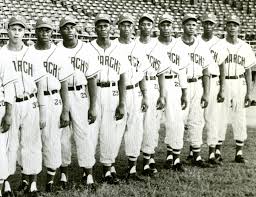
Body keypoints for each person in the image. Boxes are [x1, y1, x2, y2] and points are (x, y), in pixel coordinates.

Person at [4, 16, 47, 197]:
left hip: (30, 102)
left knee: (32, 143)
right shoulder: (1, 54)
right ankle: (5, 184)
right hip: (10, 105)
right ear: (7, 31)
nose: (17, 32)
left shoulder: (33, 54)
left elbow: (40, 84)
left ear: (25, 32)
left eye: (20, 29)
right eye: (14, 28)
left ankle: (33, 184)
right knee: (8, 145)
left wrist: (43, 110)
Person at [58, 16, 100, 189]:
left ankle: (88, 172)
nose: (69, 30)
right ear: (60, 31)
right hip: (61, 94)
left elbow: (92, 79)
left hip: (81, 92)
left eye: (72, 27)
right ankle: (63, 172)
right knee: (62, 136)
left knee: (84, 134)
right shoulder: (56, 50)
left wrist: (92, 105)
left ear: (77, 29)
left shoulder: (87, 50)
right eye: (65, 27)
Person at [32, 17, 74, 192]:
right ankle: (31, 179)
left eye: (48, 30)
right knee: (31, 138)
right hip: (34, 99)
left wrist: (66, 109)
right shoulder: (29, 52)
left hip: (54, 98)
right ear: (35, 32)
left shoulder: (60, 53)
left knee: (53, 139)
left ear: (52, 32)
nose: (45, 33)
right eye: (41, 30)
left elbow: (64, 84)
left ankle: (50, 178)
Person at [88, 13, 128, 184]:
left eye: (105, 25)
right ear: (95, 28)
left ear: (110, 27)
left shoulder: (119, 49)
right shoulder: (88, 48)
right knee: (90, 132)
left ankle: (107, 169)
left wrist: (122, 102)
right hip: (94, 91)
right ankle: (87, 171)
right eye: (99, 25)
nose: (103, 28)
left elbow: (123, 77)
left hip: (112, 90)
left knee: (109, 132)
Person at [114, 13, 150, 181]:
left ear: (133, 27)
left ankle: (132, 167)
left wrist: (145, 95)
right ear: (118, 27)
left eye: (129, 25)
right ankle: (110, 167)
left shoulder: (139, 48)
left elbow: (143, 74)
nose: (126, 28)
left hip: (135, 90)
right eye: (123, 24)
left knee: (135, 129)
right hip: (116, 92)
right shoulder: (113, 46)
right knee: (114, 128)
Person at [216, 15, 255, 163]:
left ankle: (239, 152)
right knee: (221, 116)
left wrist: (250, 93)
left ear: (239, 27)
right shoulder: (219, 45)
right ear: (225, 27)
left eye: (235, 25)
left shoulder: (245, 46)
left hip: (239, 82)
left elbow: (248, 71)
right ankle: (217, 151)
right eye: (230, 24)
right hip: (224, 82)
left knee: (240, 116)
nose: (232, 27)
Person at [176, 14, 212, 167]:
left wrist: (206, 93)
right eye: (188, 24)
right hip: (178, 85)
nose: (191, 27)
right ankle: (174, 156)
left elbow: (206, 72)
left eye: (194, 24)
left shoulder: (202, 46)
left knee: (197, 119)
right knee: (178, 120)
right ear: (183, 26)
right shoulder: (175, 44)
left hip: (196, 83)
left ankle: (196, 155)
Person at [138, 13, 170, 175]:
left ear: (153, 27)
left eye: (149, 24)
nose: (146, 27)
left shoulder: (158, 47)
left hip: (152, 84)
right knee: (136, 124)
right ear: (139, 26)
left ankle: (147, 157)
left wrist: (162, 95)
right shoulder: (133, 44)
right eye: (143, 24)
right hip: (135, 86)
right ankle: (134, 157)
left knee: (152, 124)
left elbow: (162, 73)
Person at [157, 13, 189, 172]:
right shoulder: (152, 45)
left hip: (175, 82)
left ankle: (175, 156)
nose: (166, 27)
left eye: (168, 24)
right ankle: (148, 158)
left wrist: (184, 92)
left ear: (172, 27)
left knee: (176, 121)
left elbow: (183, 71)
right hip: (155, 84)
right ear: (159, 27)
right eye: (163, 24)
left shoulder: (179, 45)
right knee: (152, 122)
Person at [199, 13, 228, 165]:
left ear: (215, 25)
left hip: (214, 79)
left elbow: (222, 68)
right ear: (202, 24)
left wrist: (222, 89)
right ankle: (194, 151)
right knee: (195, 118)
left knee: (212, 118)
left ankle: (211, 152)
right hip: (198, 81)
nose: (208, 26)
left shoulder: (219, 43)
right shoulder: (196, 41)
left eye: (211, 23)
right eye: (206, 23)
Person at [0, 36, 17, 197]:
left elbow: (10, 89)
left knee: (0, 151)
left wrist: (9, 114)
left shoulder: (3, 57)